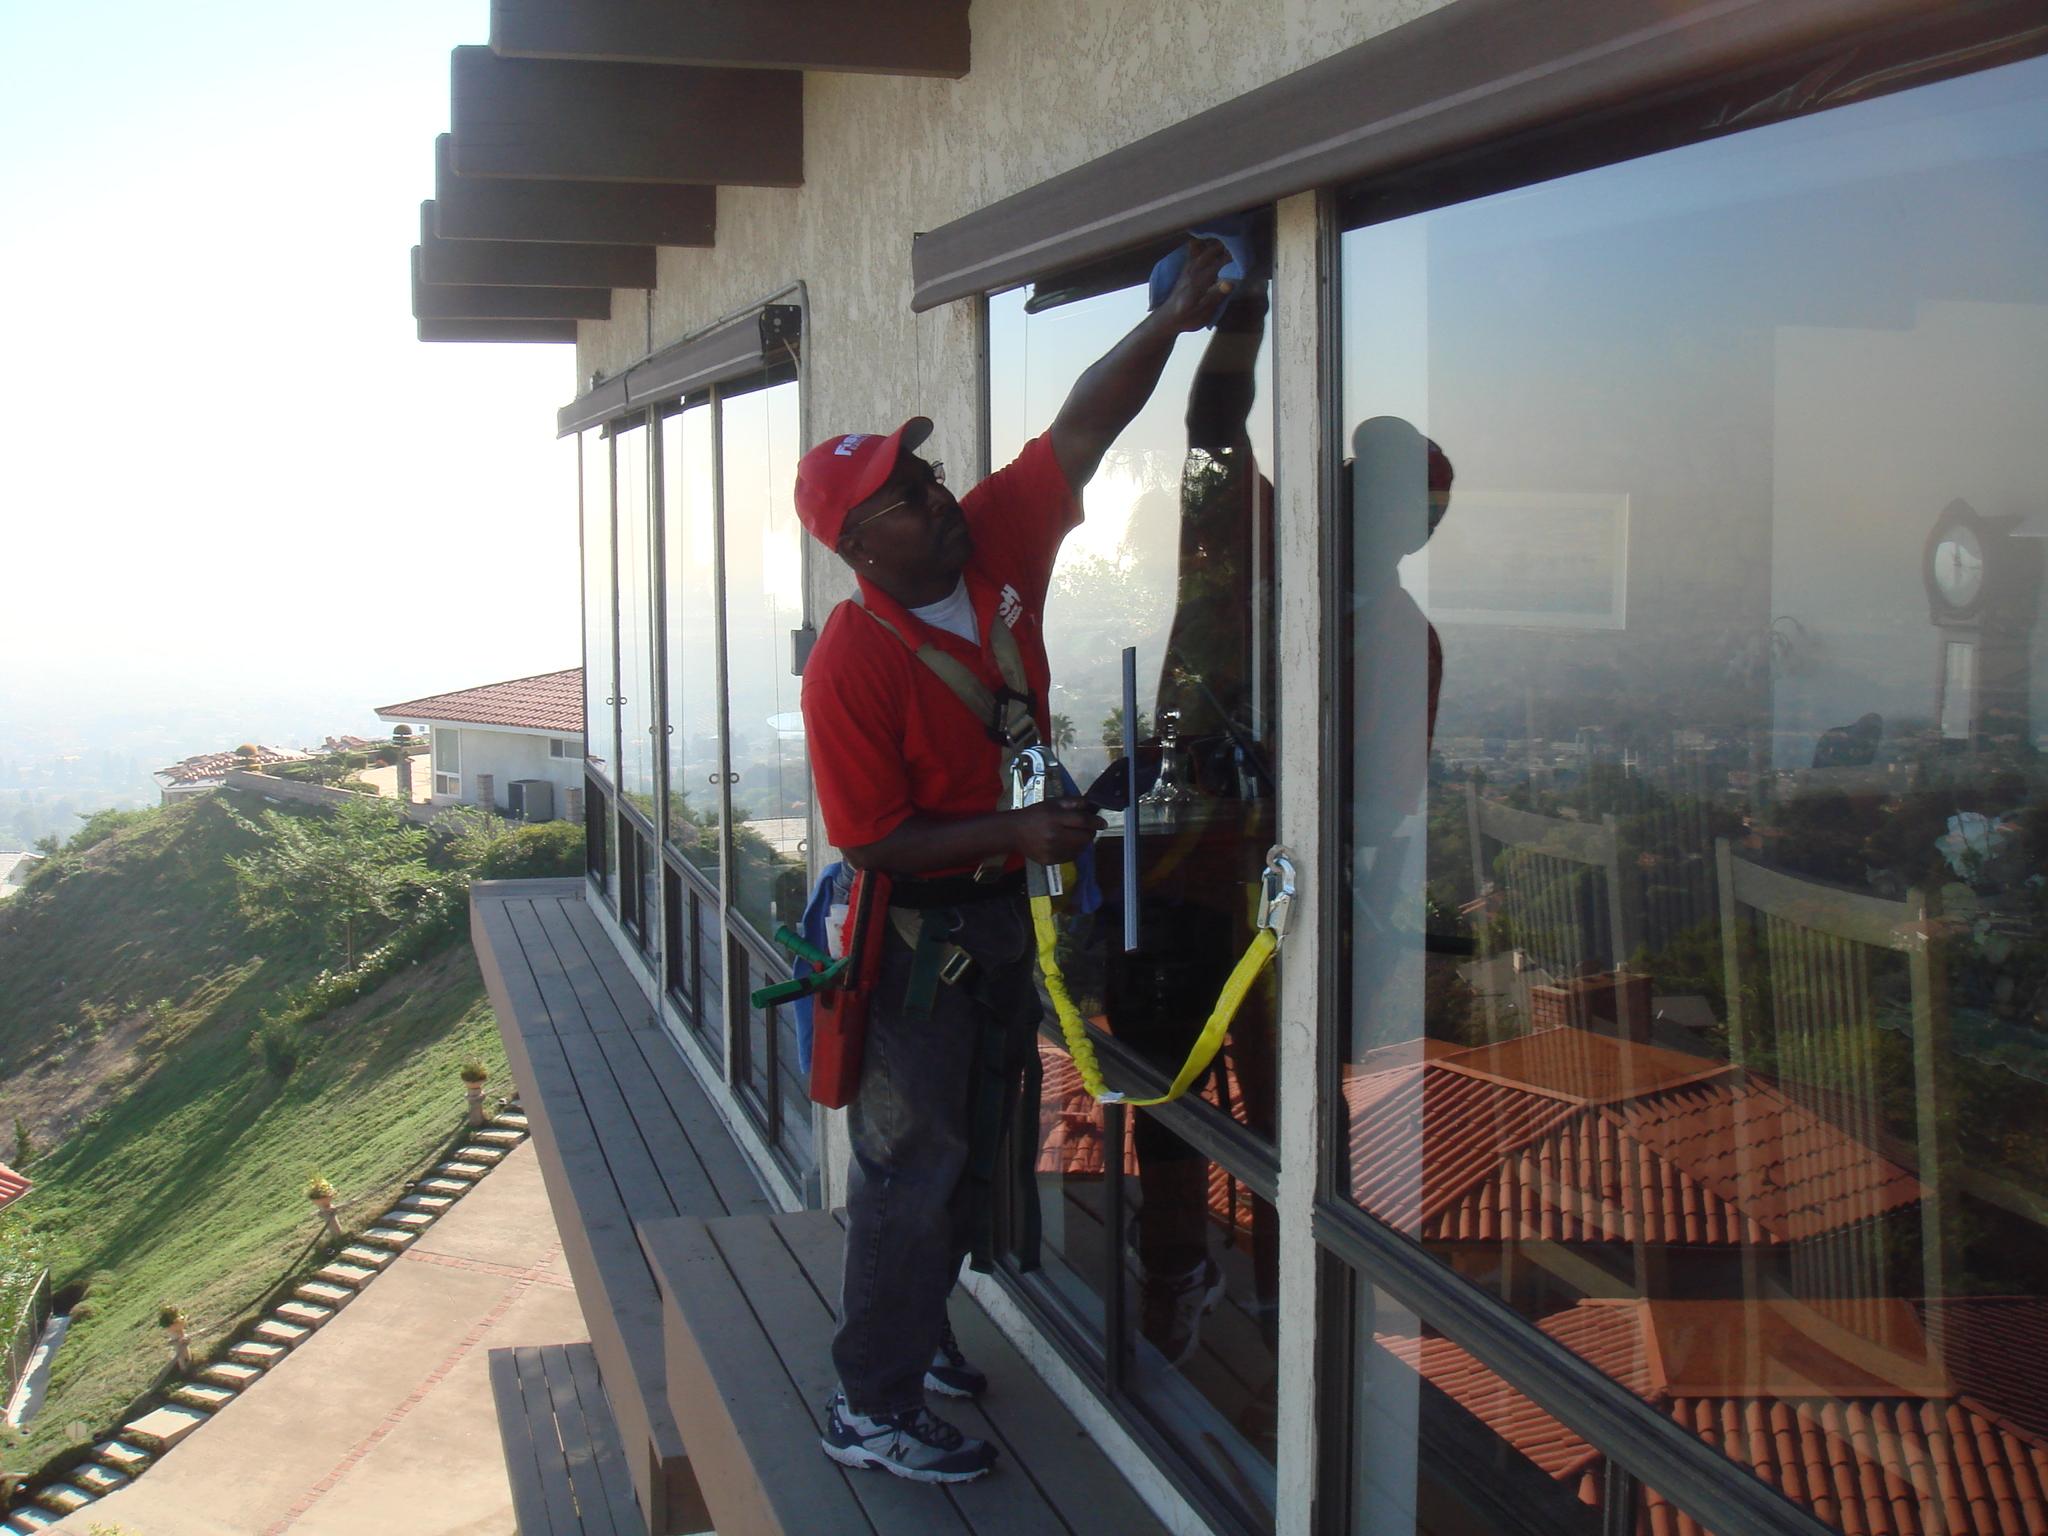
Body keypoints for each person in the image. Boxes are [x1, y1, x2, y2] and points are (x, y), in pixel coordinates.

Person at [795, 239, 1234, 1484]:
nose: (938, 492)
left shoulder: (984, 546)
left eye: (926, 473)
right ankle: (867, 1405)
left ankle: (917, 1333)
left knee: (978, 1134)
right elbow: (870, 838)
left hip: (996, 915)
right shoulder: (852, 662)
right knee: (911, 1164)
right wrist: (1015, 832)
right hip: (924, 930)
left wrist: (1176, 323)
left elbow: (1078, 432)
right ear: (860, 545)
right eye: (905, 493)